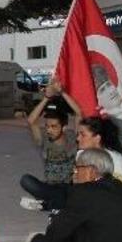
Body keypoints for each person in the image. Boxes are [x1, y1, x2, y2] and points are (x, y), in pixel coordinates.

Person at [20, 79, 80, 211]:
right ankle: (52, 203)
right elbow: (31, 121)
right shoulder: (43, 140)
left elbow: (78, 113)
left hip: (68, 186)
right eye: (47, 126)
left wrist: (62, 92)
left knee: (71, 194)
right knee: (26, 180)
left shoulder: (72, 139)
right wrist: (47, 97)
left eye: (54, 127)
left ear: (64, 127)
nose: (49, 130)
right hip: (49, 186)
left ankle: (45, 205)